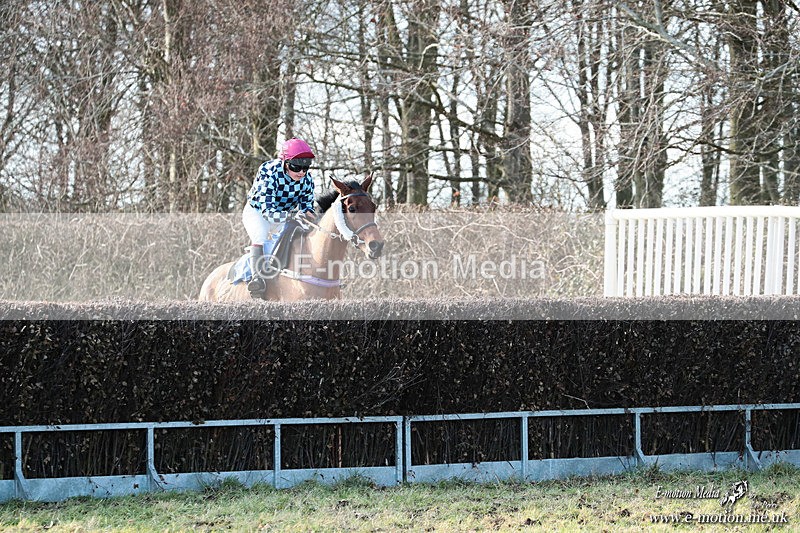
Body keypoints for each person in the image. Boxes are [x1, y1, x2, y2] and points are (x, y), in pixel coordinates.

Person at [243, 137, 316, 297]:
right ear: (285, 162)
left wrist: (311, 216)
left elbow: (307, 207)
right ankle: (257, 280)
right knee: (260, 236)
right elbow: (267, 212)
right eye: (296, 167)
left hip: (285, 215)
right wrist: (292, 215)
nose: (301, 172)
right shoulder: (269, 172)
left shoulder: (307, 180)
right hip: (258, 212)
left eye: (306, 167)